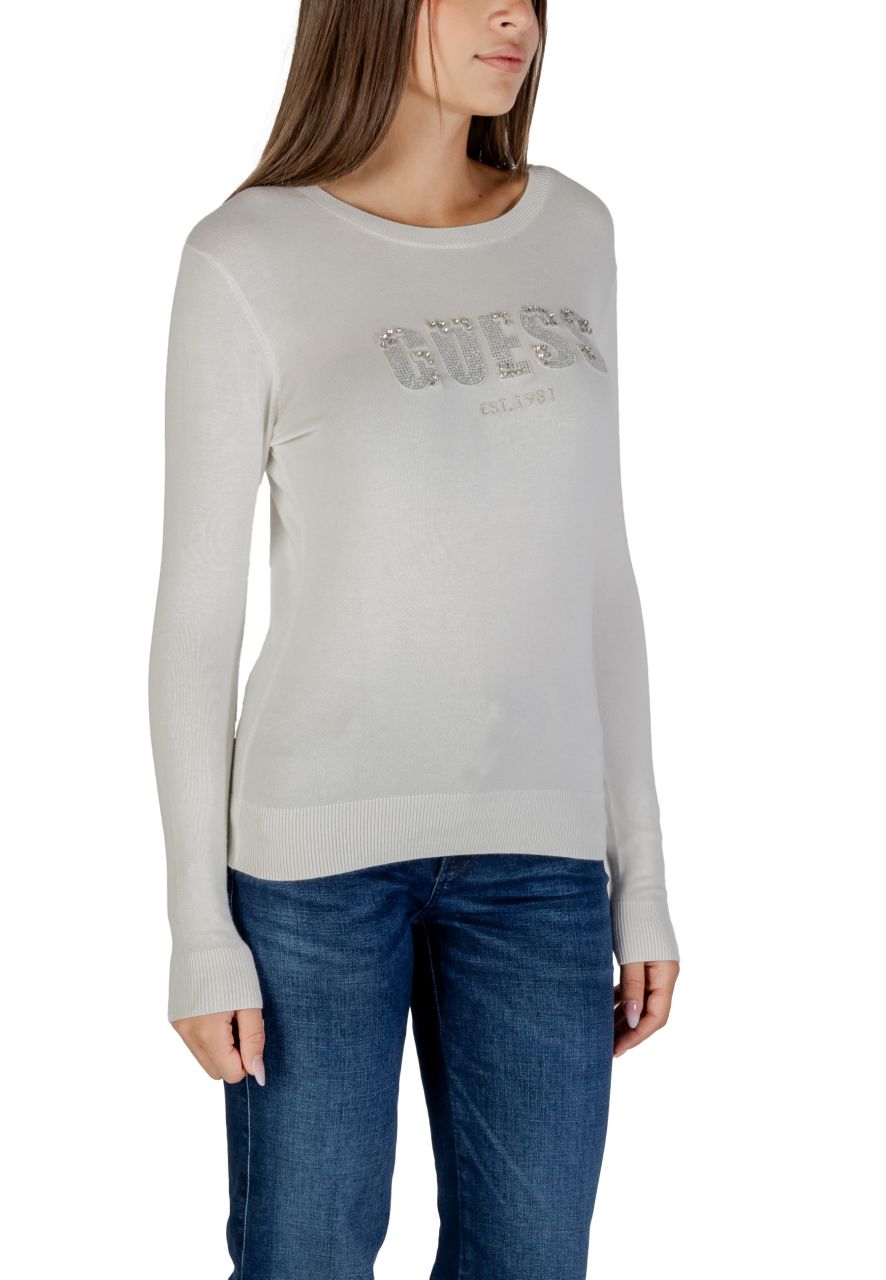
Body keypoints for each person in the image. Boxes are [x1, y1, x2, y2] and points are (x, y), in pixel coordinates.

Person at [147, 1, 682, 1275]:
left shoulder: (575, 231)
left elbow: (598, 573)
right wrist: (196, 927)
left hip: (541, 864)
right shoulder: (246, 255)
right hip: (311, 871)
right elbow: (196, 619)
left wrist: (643, 876)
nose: (514, 17)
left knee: (533, 1258)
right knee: (303, 1254)